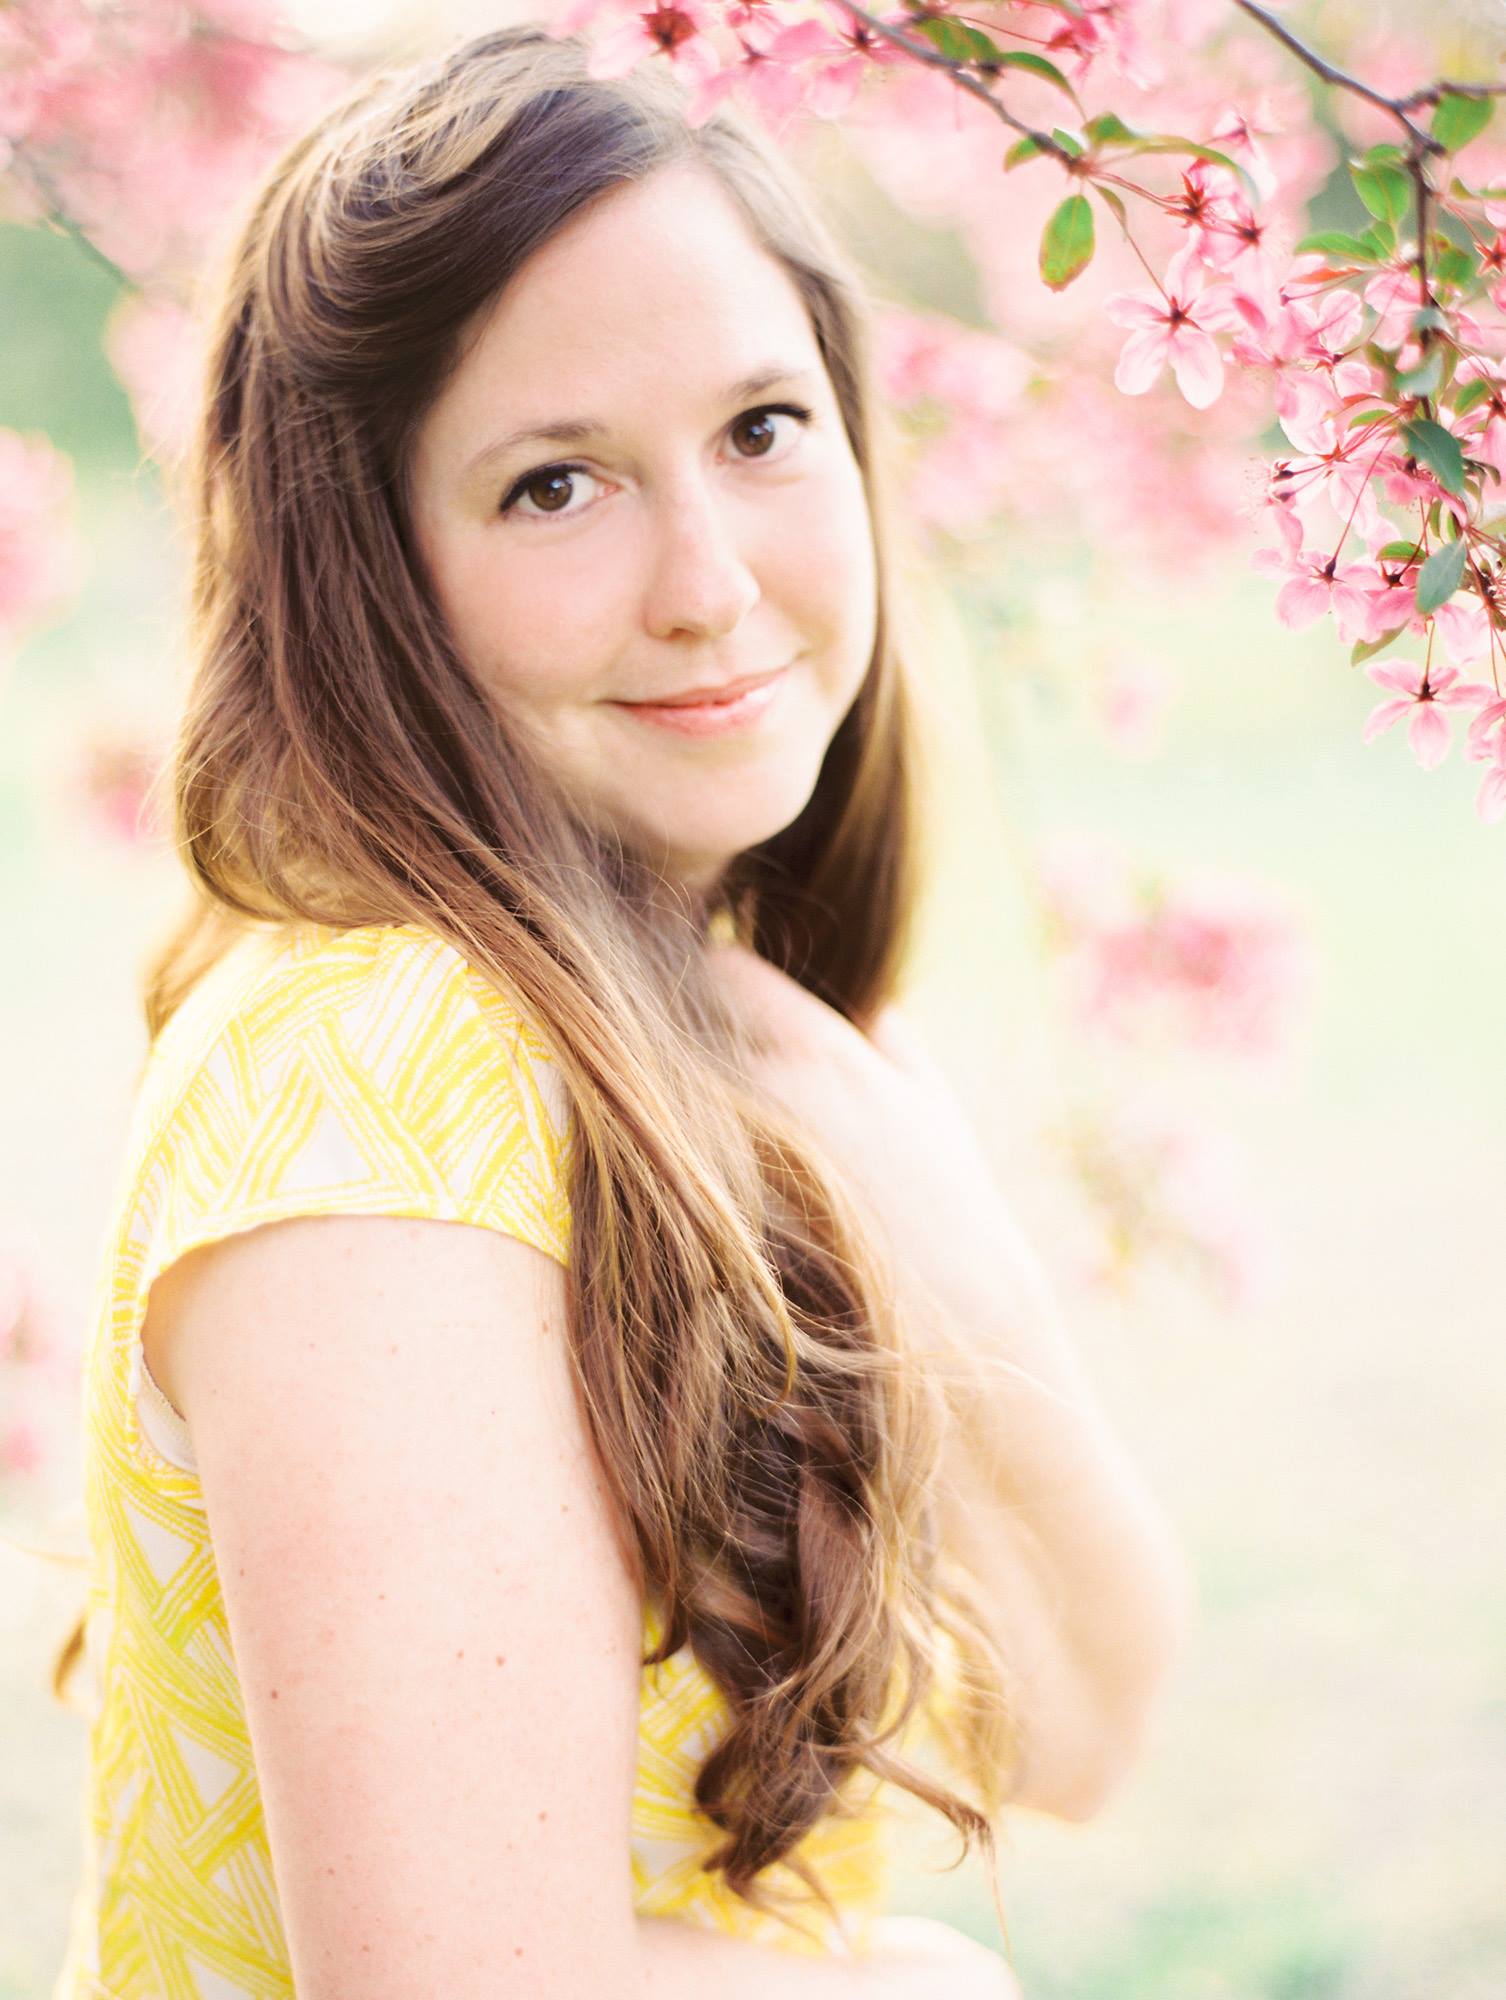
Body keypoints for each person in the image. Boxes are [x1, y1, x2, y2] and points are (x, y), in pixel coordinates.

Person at [47, 24, 1192, 1998]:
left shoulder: (727, 1041)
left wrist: (909, 1186)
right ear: (372, 579)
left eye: (762, 430)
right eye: (555, 484)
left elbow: (1081, 1723)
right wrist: (929, 1989)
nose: (712, 583)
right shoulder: (374, 1078)